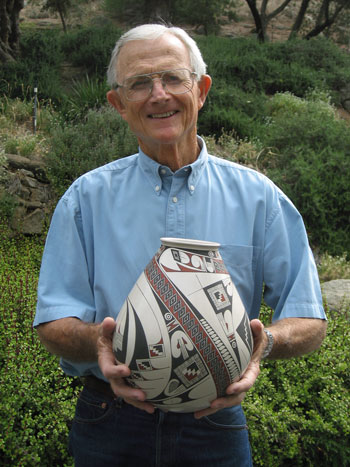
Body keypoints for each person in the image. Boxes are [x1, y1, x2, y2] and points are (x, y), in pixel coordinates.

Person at [34, 24, 327, 467]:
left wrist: (263, 342)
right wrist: (101, 341)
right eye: (139, 83)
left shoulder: (260, 198)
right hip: (109, 422)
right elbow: (53, 320)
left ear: (201, 89)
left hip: (216, 425)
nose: (159, 94)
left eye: (173, 77)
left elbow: (309, 318)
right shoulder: (84, 199)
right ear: (118, 104)